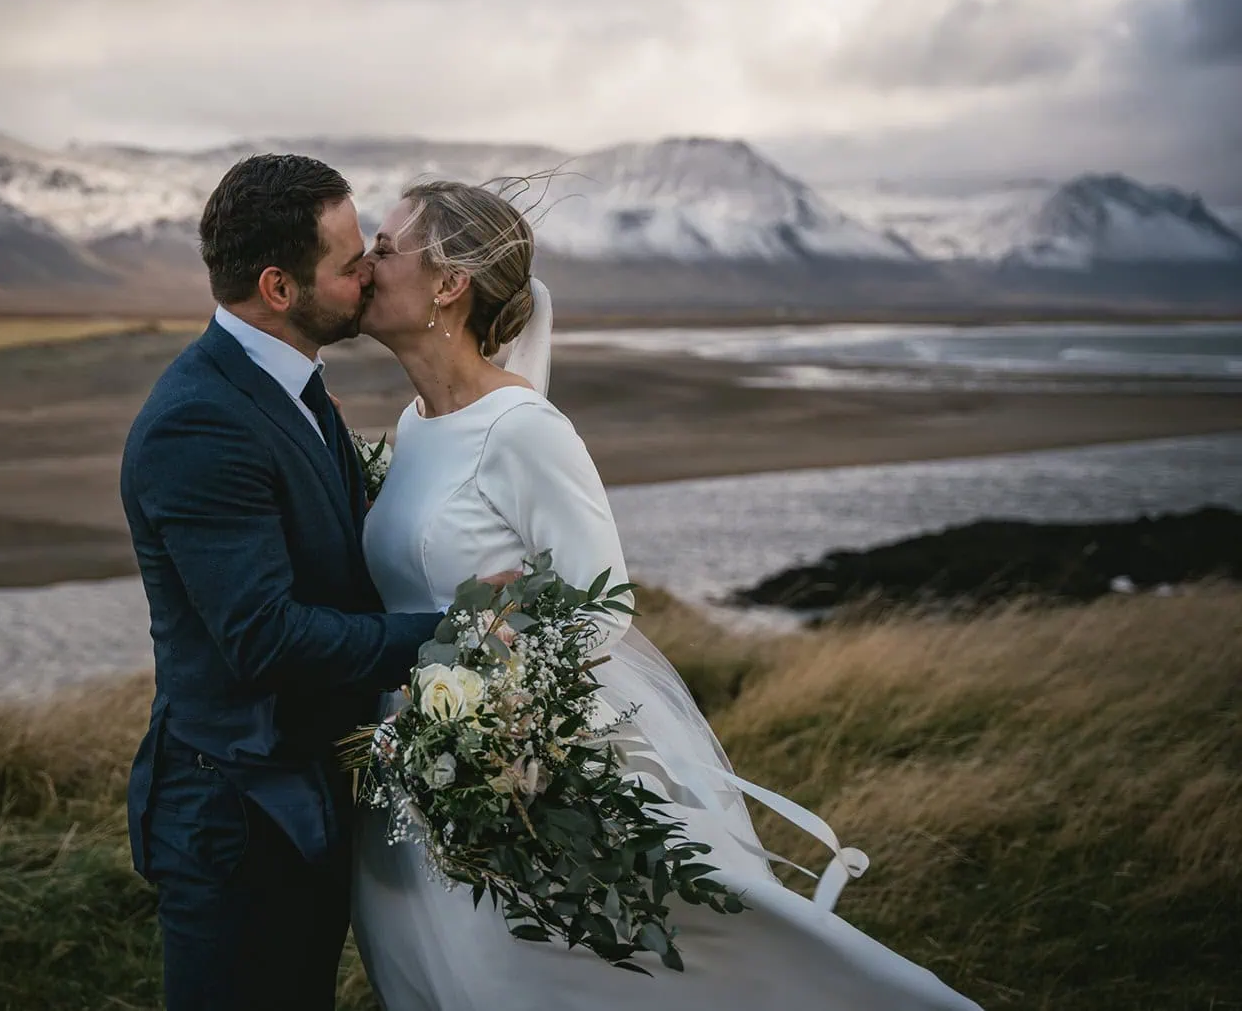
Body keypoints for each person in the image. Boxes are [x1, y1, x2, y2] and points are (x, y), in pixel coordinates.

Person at [349, 179, 984, 1010]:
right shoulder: (419, 421)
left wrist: (481, 709)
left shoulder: (525, 430)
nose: (366, 262)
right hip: (411, 771)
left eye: (387, 247)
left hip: (503, 773)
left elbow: (601, 606)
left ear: (448, 283)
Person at [119, 153, 448, 1011]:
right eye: (348, 265)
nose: (368, 274)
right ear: (278, 286)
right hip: (233, 824)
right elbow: (267, 637)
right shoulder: (200, 423)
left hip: (297, 803)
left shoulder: (290, 387)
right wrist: (452, 632)